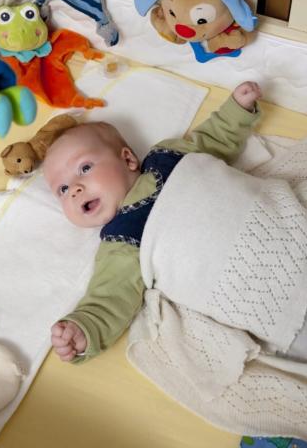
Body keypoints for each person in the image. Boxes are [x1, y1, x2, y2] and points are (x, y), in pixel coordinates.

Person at [43, 81, 263, 361]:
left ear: (127, 159)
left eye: (85, 168)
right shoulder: (120, 240)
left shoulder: (166, 156)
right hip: (236, 268)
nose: (74, 189)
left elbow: (212, 140)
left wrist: (236, 109)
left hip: (256, 210)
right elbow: (111, 296)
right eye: (62, 190)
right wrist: (85, 328)